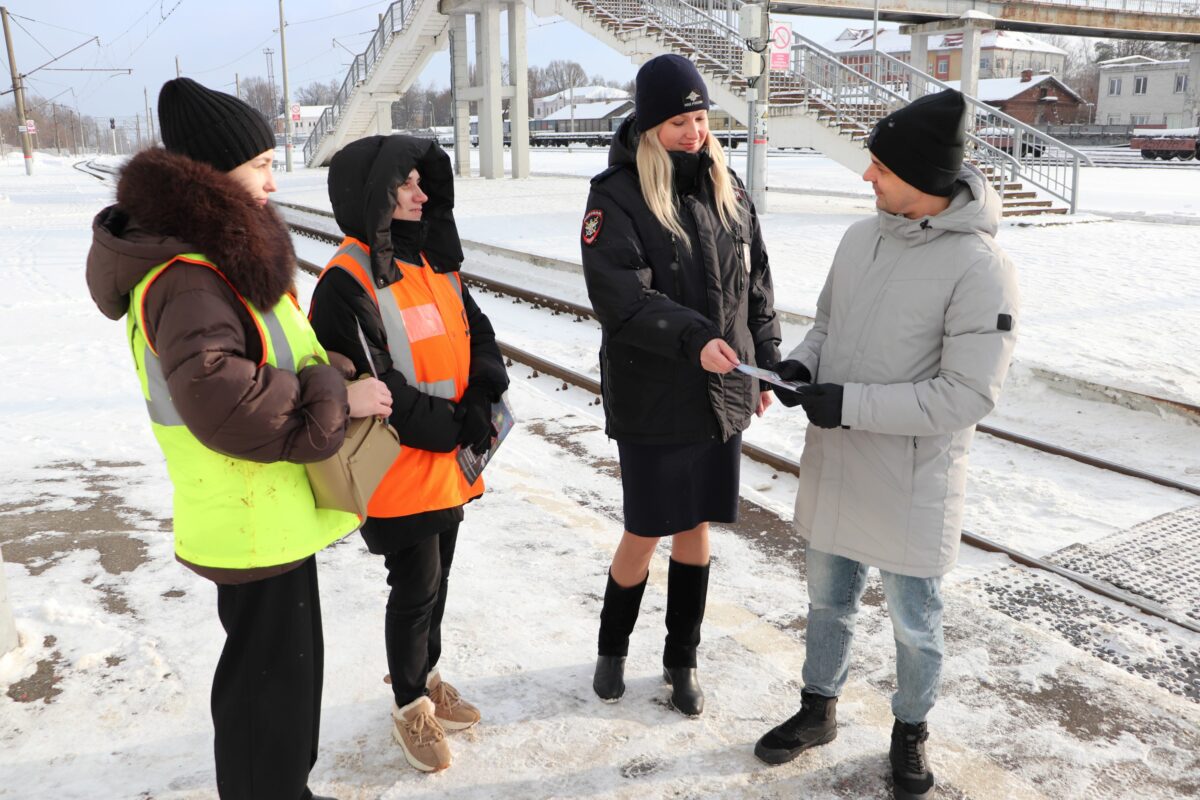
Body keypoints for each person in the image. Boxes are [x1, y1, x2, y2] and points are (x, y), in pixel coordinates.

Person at [85, 78, 392, 800]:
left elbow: (265, 357)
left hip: (268, 512)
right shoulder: (189, 277)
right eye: (258, 165)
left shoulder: (217, 260)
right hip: (250, 515)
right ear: (209, 177)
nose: (272, 179)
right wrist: (336, 396)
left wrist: (330, 366)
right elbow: (223, 398)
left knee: (284, 695)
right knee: (268, 705)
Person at [754, 89, 1020, 799]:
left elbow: (968, 396)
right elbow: (827, 327)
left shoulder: (979, 267)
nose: (866, 178)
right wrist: (802, 365)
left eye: (879, 166)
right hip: (842, 459)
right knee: (826, 601)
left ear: (923, 178)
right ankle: (819, 709)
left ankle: (910, 732)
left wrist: (849, 405)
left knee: (913, 622)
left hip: (911, 477)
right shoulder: (860, 237)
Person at [580, 54, 781, 717]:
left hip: (719, 394)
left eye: (699, 118)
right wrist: (696, 340)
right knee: (645, 528)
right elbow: (622, 300)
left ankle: (681, 660)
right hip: (652, 395)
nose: (694, 133)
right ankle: (612, 649)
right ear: (647, 126)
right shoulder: (615, 196)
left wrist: (768, 358)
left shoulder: (730, 190)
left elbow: (757, 285)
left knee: (697, 526)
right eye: (677, 122)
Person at [308, 134, 508, 774]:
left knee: (440, 577)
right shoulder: (347, 280)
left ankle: (428, 674)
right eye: (406, 185)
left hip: (447, 461)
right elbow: (379, 384)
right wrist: (453, 427)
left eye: (424, 183)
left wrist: (483, 397)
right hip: (397, 466)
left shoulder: (433, 261)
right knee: (415, 585)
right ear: (374, 195)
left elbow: (478, 334)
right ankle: (409, 703)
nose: (422, 195)